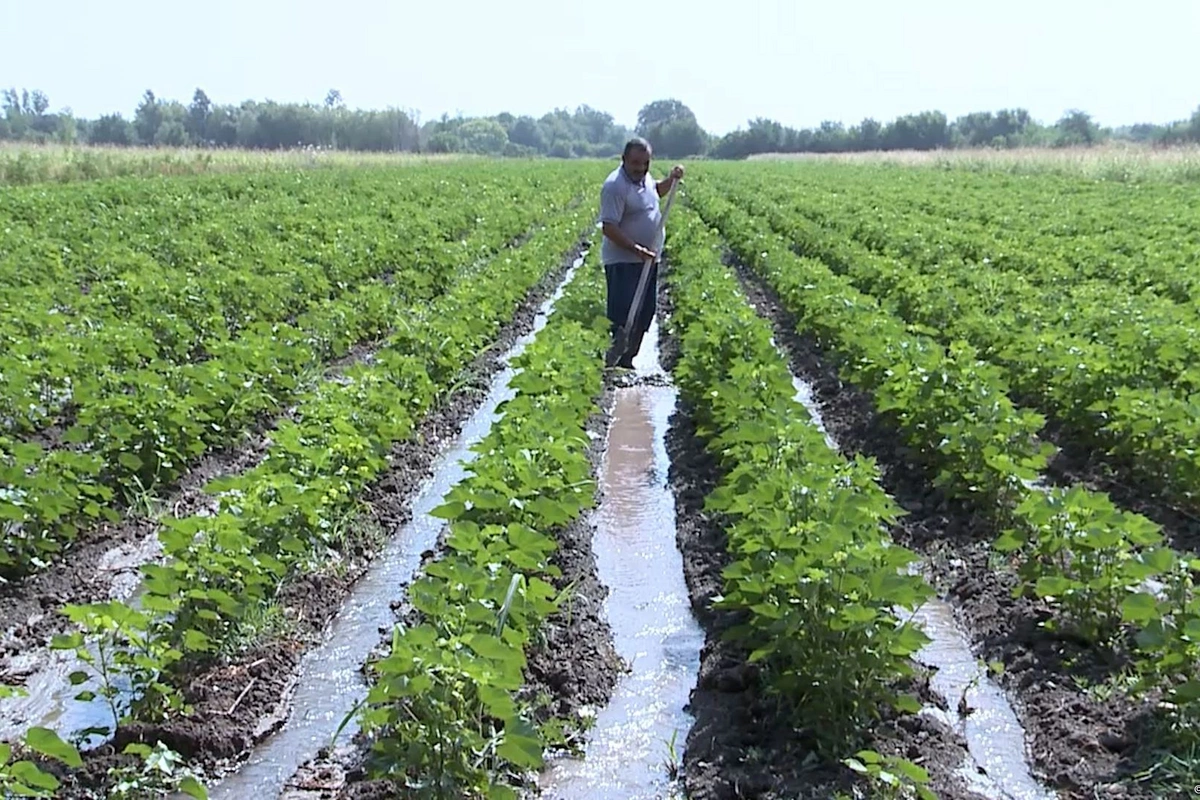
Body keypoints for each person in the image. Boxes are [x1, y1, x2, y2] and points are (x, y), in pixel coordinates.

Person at [599, 137, 684, 368]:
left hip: (647, 259)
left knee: (646, 311)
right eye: (636, 163)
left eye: (645, 163)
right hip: (623, 260)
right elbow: (609, 227)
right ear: (624, 159)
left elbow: (655, 192)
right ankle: (613, 361)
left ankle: (628, 360)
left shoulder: (644, 178)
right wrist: (636, 249)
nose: (641, 168)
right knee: (623, 314)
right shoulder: (615, 186)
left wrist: (671, 180)